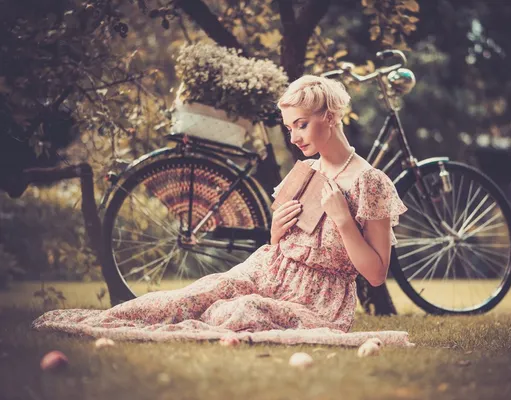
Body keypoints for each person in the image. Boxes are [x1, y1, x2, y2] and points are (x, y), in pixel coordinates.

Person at [32, 75, 412, 347]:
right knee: (204, 291)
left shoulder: (370, 182)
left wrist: (344, 221)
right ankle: (105, 321)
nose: (294, 137)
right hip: (270, 267)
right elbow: (282, 244)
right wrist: (277, 232)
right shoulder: (306, 171)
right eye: (289, 127)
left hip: (319, 298)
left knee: (240, 310)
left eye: (301, 125)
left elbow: (376, 275)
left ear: (330, 116)